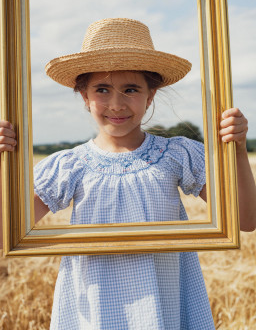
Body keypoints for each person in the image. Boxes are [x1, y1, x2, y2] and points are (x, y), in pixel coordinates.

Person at [0, 18, 255, 330]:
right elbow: (6, 230)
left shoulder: (177, 154)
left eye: (131, 89)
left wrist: (237, 149)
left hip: (167, 306)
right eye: (102, 89)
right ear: (84, 96)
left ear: (151, 95)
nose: (116, 104)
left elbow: (245, 219)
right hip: (94, 312)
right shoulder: (69, 165)